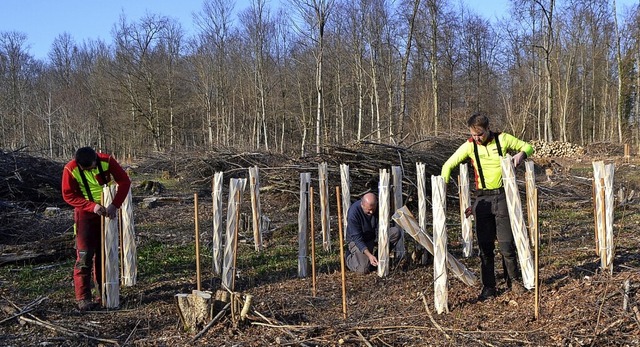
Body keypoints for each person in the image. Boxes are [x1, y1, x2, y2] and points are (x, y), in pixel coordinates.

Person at [440, 113, 534, 301]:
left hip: (502, 197)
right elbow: (448, 165)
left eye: (480, 134)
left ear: (487, 129)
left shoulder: (503, 139)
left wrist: (521, 155)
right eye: (473, 135)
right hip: (482, 200)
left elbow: (528, 147)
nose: (477, 138)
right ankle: (489, 287)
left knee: (507, 244)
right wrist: (442, 186)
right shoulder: (469, 146)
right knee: (485, 247)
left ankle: (513, 281)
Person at [62, 147, 131, 311]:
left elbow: (124, 181)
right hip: (85, 213)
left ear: (96, 159)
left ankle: (104, 295)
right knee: (84, 256)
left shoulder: (107, 161)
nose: (91, 170)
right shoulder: (70, 169)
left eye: (93, 167)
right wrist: (91, 206)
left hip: (107, 211)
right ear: (78, 164)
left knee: (104, 255)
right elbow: (68, 195)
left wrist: (115, 205)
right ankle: (83, 298)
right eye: (87, 169)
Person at [345, 192, 401, 274]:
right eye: (369, 210)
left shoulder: (379, 208)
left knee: (395, 232)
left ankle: (377, 259)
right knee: (362, 270)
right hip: (358, 241)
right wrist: (369, 255)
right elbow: (357, 239)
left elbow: (381, 228)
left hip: (373, 236)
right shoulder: (353, 213)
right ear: (362, 205)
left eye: (373, 209)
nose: (371, 212)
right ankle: (350, 259)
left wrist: (382, 242)